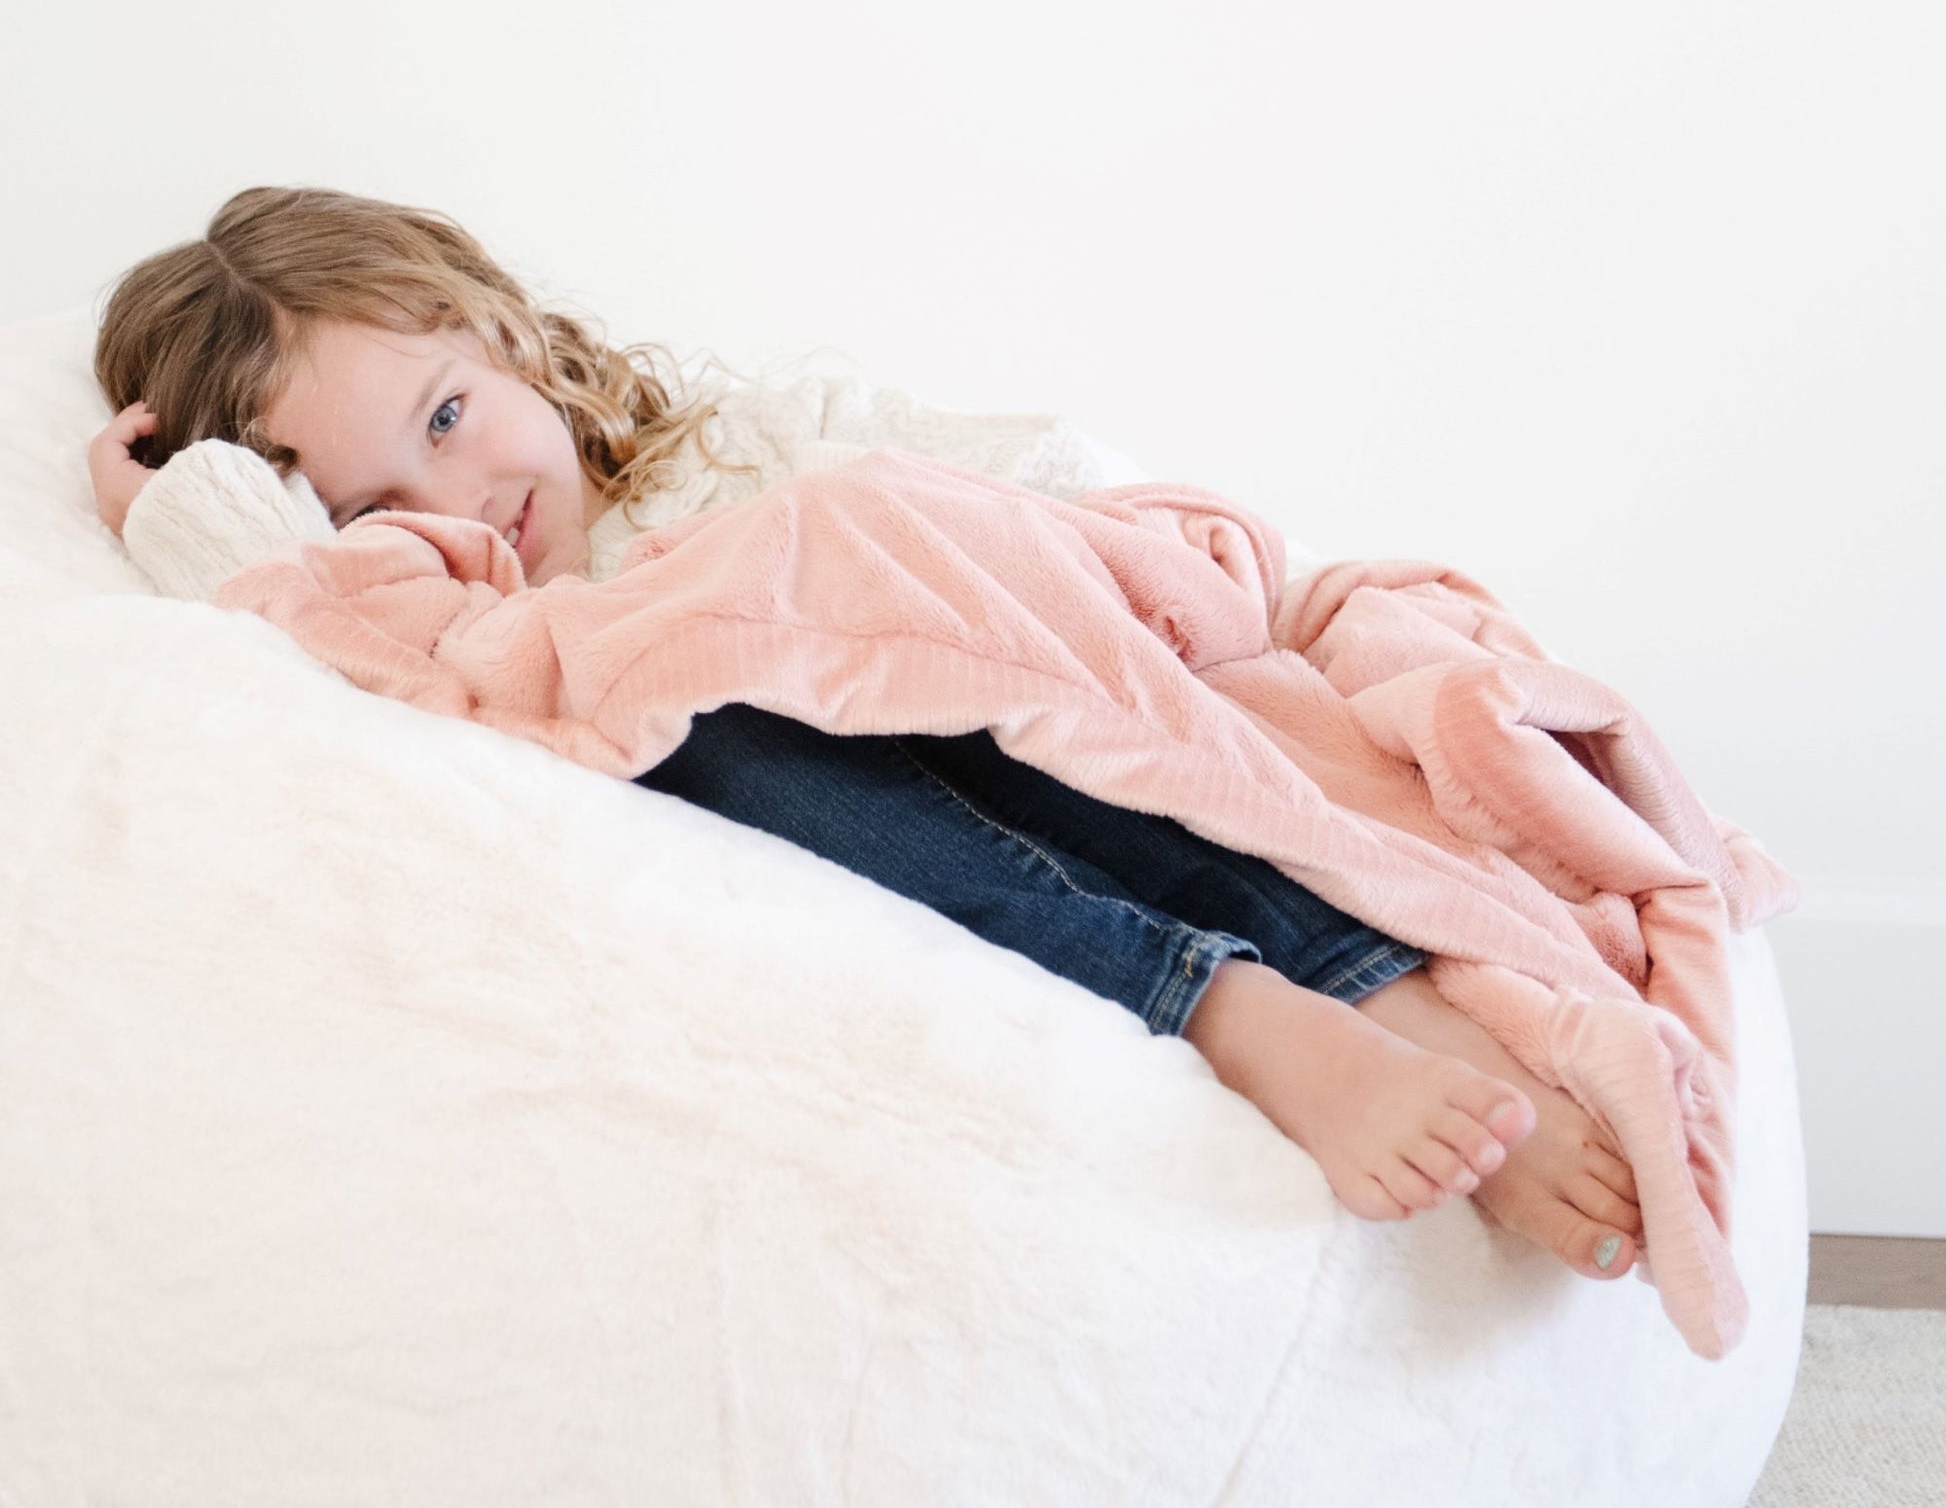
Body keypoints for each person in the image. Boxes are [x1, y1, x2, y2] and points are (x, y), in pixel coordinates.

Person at [88, 185, 1643, 1281]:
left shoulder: (756, 441)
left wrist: (1132, 560)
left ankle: (1378, 984)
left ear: (503, 336)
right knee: (696, 707)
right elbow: (314, 608)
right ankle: (1239, 1011)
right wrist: (191, 512)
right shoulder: (495, 633)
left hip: (1046, 740)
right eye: (376, 505)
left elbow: (1000, 507)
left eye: (447, 417)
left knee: (897, 591)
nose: (455, 498)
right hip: (858, 821)